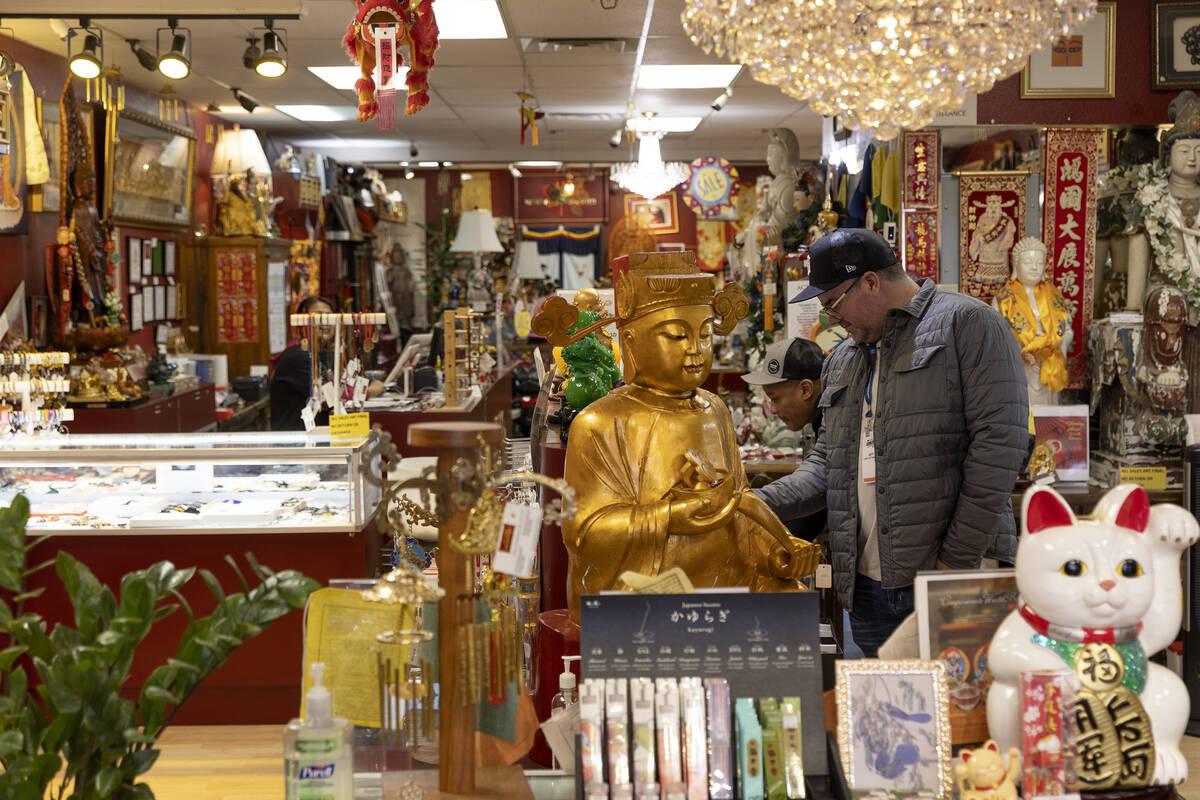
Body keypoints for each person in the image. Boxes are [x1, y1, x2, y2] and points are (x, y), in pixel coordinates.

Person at [754, 228, 1029, 657]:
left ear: (869, 281)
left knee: (962, 714)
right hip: (868, 585)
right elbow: (828, 462)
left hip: (953, 575)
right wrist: (750, 503)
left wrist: (953, 565)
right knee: (892, 715)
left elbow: (998, 454)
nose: (830, 319)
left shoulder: (968, 324)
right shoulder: (844, 357)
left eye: (832, 304)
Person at [536, 251, 820, 620]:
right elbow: (584, 532)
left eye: (704, 333)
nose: (695, 349)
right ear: (631, 340)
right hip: (646, 596)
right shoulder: (600, 422)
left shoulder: (713, 409)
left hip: (723, 585)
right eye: (676, 335)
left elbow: (738, 501)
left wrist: (776, 548)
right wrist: (669, 517)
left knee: (791, 604)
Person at [743, 336, 827, 542]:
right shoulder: (822, 419)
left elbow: (818, 484)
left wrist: (743, 503)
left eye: (775, 398)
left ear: (805, 390)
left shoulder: (833, 418)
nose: (772, 409)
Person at [270, 296, 384, 431]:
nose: (325, 322)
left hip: (319, 436)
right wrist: (370, 390)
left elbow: (344, 383)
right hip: (296, 442)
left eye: (329, 317)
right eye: (318, 316)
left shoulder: (323, 354)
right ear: (303, 321)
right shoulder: (297, 356)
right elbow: (335, 394)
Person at [990, 237, 1073, 407]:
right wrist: (1020, 348)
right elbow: (996, 336)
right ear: (1016, 265)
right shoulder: (1004, 298)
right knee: (1022, 407)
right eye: (1028, 262)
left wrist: (1054, 343)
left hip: (1048, 360)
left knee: (1048, 411)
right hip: (1021, 362)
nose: (1034, 267)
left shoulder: (1054, 295)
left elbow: (1067, 329)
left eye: (1039, 262)